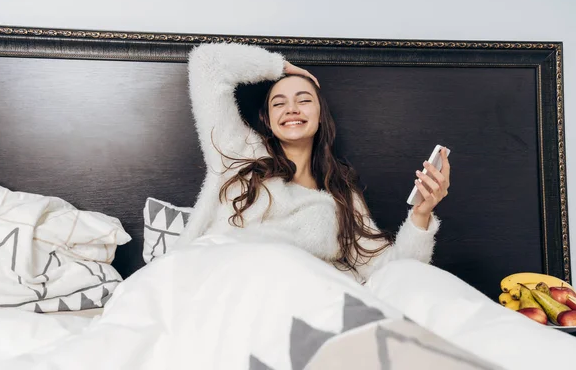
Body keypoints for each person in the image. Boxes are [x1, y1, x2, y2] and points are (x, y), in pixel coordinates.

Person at [179, 42, 451, 284]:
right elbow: (207, 63)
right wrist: (281, 67)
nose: (292, 109)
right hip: (222, 281)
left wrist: (421, 213)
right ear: (268, 120)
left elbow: (392, 274)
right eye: (279, 103)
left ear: (321, 115)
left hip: (292, 299)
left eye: (304, 100)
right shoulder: (238, 152)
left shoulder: (342, 197)